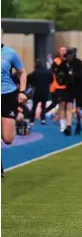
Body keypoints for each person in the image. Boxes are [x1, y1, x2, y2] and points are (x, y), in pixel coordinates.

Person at [1, 28, 28, 177]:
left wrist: (22, 92)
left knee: (8, 138)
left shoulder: (10, 53)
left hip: (7, 95)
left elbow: (22, 72)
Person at [65, 49, 82, 134]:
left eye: (69, 56)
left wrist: (71, 75)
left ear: (72, 56)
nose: (67, 57)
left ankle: (79, 123)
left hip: (79, 88)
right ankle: (68, 126)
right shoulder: (65, 63)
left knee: (77, 110)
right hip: (70, 87)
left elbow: (79, 75)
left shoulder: (78, 63)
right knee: (69, 106)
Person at [29, 59, 53, 125]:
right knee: (43, 105)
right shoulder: (48, 72)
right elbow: (51, 80)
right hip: (45, 91)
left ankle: (32, 120)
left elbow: (31, 82)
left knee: (34, 106)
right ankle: (43, 119)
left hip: (37, 91)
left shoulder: (35, 72)